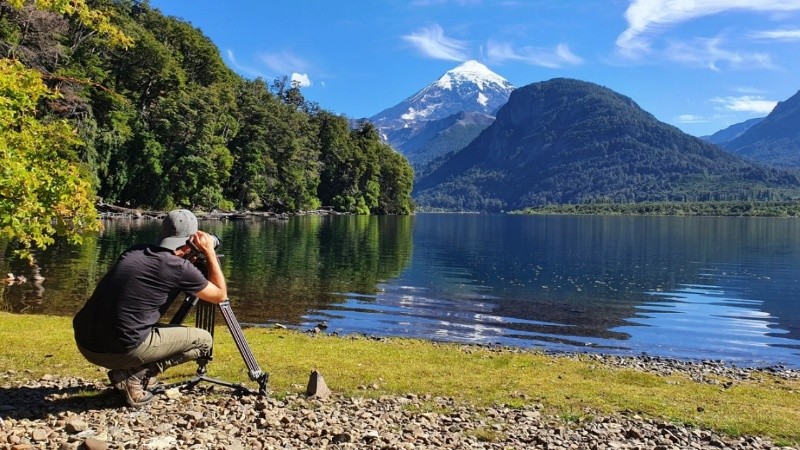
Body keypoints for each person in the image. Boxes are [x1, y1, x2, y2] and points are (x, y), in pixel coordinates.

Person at [73, 209, 227, 407]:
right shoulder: (179, 268)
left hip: (86, 342)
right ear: (191, 240)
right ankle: (135, 376)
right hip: (117, 350)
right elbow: (220, 295)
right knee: (204, 341)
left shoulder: (134, 251)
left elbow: (159, 270)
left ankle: (127, 372)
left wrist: (189, 260)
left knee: (137, 323)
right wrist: (210, 253)